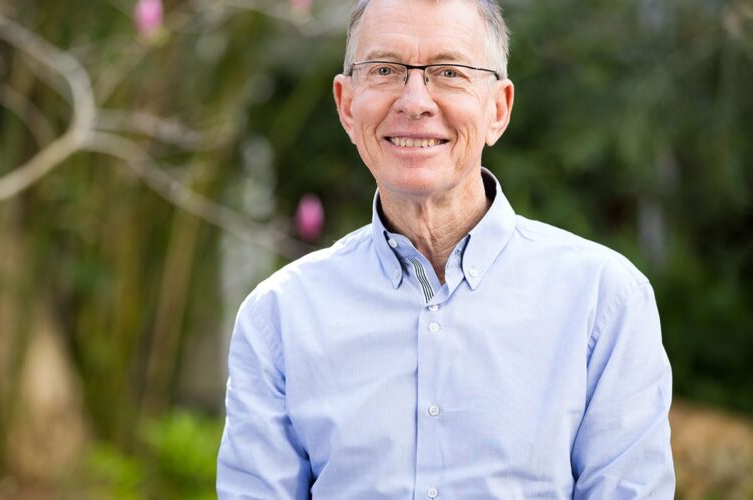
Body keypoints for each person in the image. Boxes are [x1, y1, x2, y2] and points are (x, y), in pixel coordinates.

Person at [216, 0, 675, 497]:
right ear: (347, 105)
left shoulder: (603, 302)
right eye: (385, 70)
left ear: (497, 109)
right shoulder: (279, 317)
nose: (415, 101)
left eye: (449, 71)